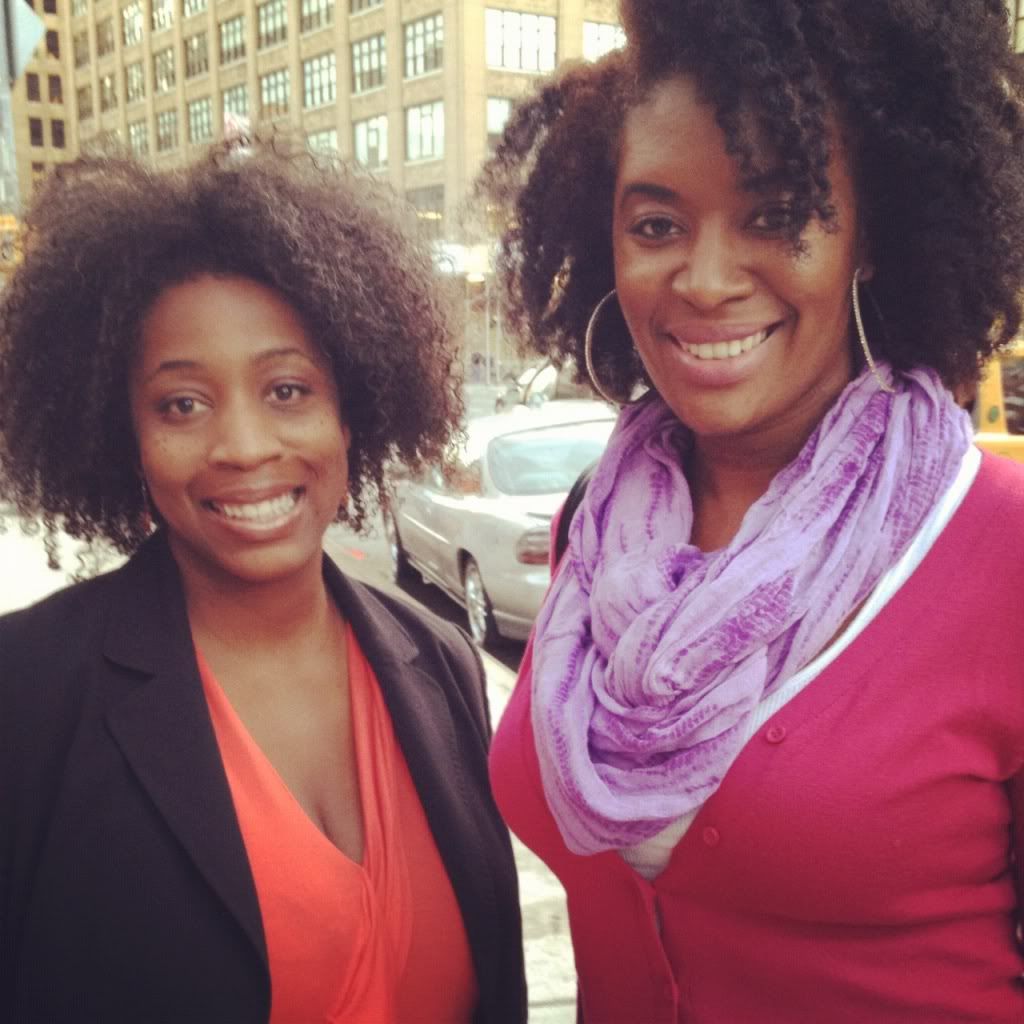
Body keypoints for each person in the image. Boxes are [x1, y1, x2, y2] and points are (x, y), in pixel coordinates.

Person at [478, 1, 1024, 1020]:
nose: (705, 279)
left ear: (868, 238)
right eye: (656, 225)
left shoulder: (1004, 551)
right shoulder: (596, 530)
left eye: (776, 216)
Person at [0, 141, 526, 1024]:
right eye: (182, 404)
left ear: (350, 412)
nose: (244, 446)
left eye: (287, 390)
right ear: (125, 436)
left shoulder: (441, 662)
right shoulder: (26, 693)